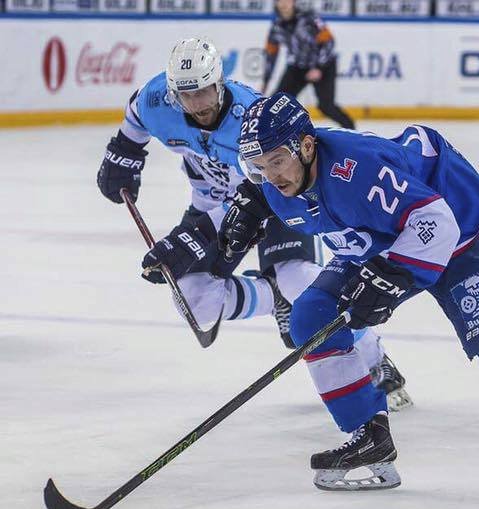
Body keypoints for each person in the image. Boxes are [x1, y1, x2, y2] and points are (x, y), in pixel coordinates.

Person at [218, 92, 479, 505]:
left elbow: (435, 224)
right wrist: (253, 200)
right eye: (259, 166)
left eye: (277, 162)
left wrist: (391, 279)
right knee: (311, 318)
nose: (271, 175)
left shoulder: (358, 169)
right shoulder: (276, 183)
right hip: (378, 238)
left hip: (459, 233)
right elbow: (276, 190)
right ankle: (369, 438)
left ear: (307, 147)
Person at [95, 37, 410, 409]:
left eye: (203, 91)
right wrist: (126, 150)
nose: (195, 104)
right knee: (195, 303)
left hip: (272, 200)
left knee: (301, 282)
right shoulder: (157, 99)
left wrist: (192, 239)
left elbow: (255, 196)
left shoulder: (249, 118)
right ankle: (271, 295)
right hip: (209, 206)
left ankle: (375, 361)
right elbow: (136, 111)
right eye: (185, 94)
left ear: (220, 83)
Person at [262, 0, 355, 130]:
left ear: (293, 2)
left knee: (326, 106)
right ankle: (273, 136)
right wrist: (266, 81)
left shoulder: (309, 19)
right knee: (277, 103)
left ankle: (351, 130)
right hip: (297, 67)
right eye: (279, 1)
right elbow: (271, 55)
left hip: (324, 65)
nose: (283, 3)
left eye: (287, 0)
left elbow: (329, 41)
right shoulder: (276, 27)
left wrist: (319, 68)